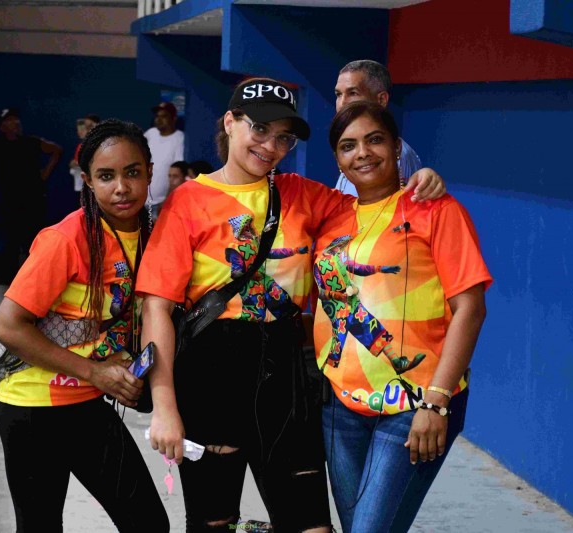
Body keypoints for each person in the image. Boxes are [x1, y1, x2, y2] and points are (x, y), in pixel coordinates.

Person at [137, 77, 445, 533]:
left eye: (283, 137)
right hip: (210, 374)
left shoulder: (303, 194)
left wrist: (417, 178)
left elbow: (379, 205)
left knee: (309, 523)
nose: (271, 146)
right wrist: (164, 407)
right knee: (214, 521)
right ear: (230, 122)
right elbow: (156, 309)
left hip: (288, 376)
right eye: (260, 129)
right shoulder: (188, 201)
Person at [314, 101, 492, 532]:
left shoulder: (437, 210)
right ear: (337, 159)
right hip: (340, 404)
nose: (362, 153)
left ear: (396, 147)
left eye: (374, 140)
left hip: (415, 403)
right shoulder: (331, 215)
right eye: (348, 145)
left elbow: (470, 308)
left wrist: (437, 401)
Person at [0, 119, 169, 532]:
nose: (121, 187)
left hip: (88, 403)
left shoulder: (153, 234)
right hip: (32, 406)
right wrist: (95, 372)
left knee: (147, 522)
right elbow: (8, 327)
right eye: (106, 176)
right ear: (87, 181)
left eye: (132, 172)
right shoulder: (66, 239)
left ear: (149, 172)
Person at [0, 108, 63, 282]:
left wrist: (45, 173)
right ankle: (8, 280)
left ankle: (36, 279)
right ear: (2, 126)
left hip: (33, 199)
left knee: (34, 241)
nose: (15, 123)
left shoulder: (32, 142)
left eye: (16, 119)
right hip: (9, 200)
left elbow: (56, 150)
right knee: (10, 240)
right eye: (10, 120)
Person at [333, 60, 422, 197]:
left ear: (381, 100)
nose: (342, 103)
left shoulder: (392, 155)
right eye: (338, 94)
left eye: (353, 93)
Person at [144, 102, 184, 220]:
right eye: (157, 116)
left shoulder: (179, 138)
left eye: (164, 116)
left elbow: (177, 173)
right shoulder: (151, 133)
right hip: (141, 201)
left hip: (161, 203)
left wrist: (168, 200)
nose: (159, 119)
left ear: (174, 118)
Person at [70, 114, 100, 194]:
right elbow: (76, 163)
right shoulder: (81, 146)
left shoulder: (102, 145)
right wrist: (74, 164)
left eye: (90, 126)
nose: (86, 130)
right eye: (84, 127)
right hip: (83, 187)